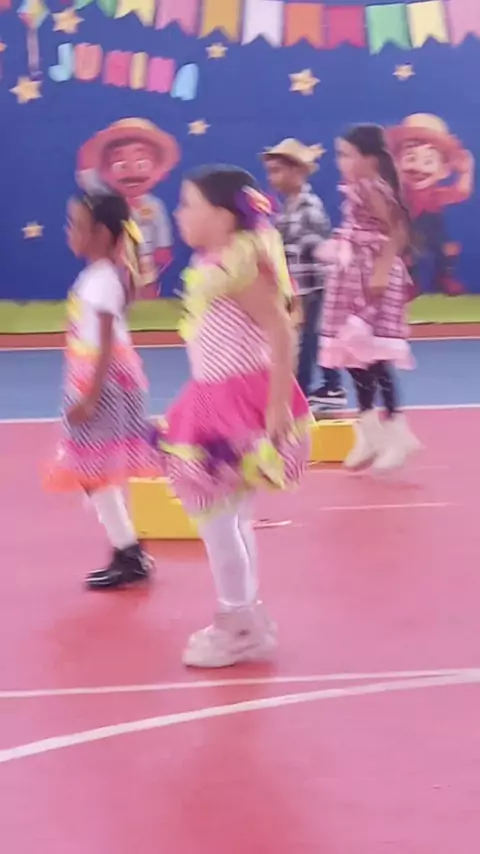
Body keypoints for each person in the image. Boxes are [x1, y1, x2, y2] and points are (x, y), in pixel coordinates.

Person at [159, 165, 310, 668]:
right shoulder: (216, 264)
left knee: (219, 521)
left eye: (188, 204)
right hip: (212, 398)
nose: (179, 213)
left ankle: (238, 621)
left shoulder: (238, 267)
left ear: (223, 217)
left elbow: (281, 331)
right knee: (231, 517)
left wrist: (276, 406)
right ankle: (245, 615)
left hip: (235, 405)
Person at [44, 192, 159, 587]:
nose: (68, 232)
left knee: (92, 470)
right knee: (92, 472)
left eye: (76, 225)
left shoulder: (104, 279)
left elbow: (106, 343)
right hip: (92, 380)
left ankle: (129, 552)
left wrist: (91, 397)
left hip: (103, 386)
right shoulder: (98, 276)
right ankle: (127, 550)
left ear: (102, 234)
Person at [318, 124, 421, 472]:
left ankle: (397, 431)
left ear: (370, 159)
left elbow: (398, 230)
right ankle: (369, 430)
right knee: (354, 355)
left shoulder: (373, 187)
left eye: (346, 155)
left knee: (374, 356)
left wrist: (381, 270)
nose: (341, 162)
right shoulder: (356, 188)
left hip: (372, 276)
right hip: (353, 276)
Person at [262, 138, 346, 409]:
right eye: (270, 171)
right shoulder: (289, 207)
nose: (272, 178)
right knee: (311, 338)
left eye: (277, 171)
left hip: (313, 287)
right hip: (299, 288)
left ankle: (308, 389)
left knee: (311, 339)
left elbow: (314, 247)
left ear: (298, 171)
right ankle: (327, 386)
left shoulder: (308, 206)